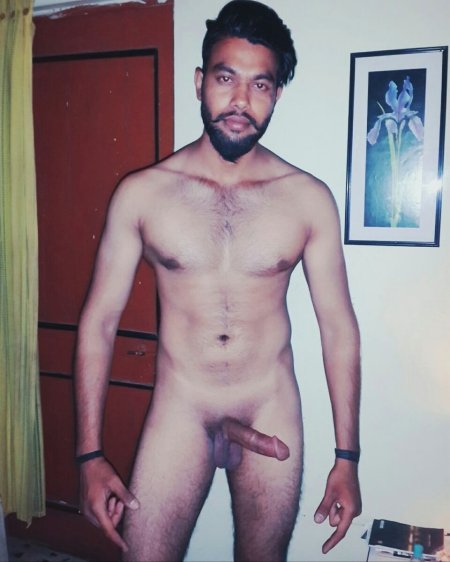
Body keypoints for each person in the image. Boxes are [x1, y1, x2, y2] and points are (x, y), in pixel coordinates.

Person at [74, 1, 362, 560]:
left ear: (277, 94)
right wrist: (89, 455)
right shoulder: (142, 194)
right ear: (200, 82)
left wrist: (347, 458)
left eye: (260, 85)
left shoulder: (308, 200)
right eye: (226, 78)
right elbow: (99, 322)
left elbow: (338, 329)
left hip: (268, 403)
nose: (240, 101)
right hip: (181, 407)